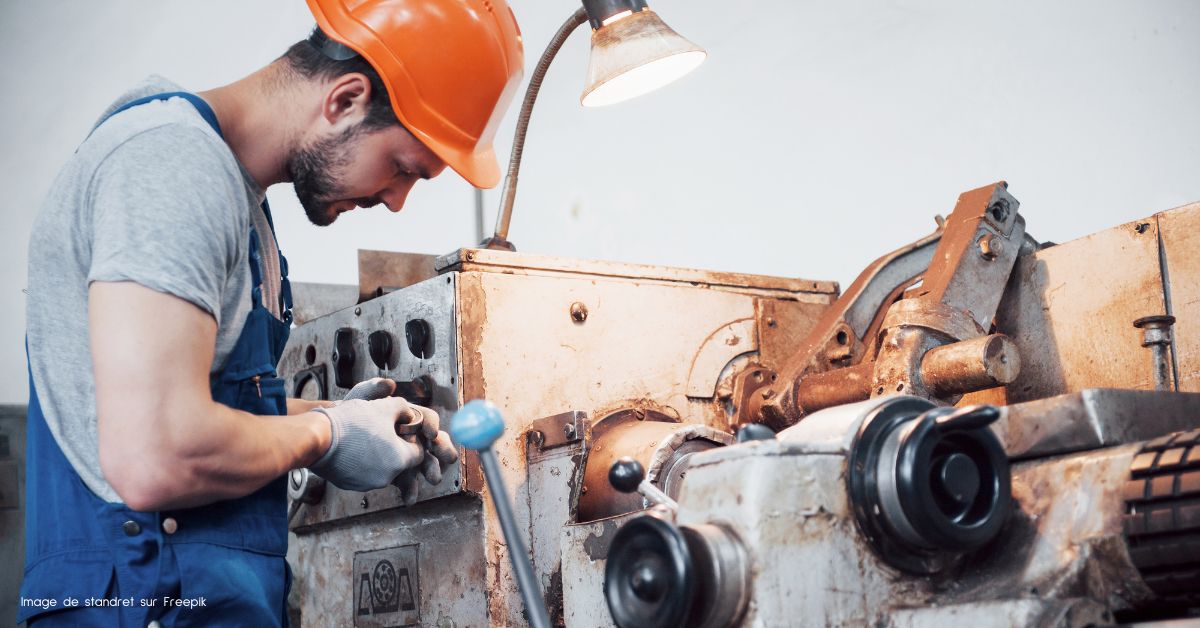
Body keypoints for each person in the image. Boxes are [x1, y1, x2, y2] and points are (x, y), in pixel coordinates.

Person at [18, 0, 524, 625]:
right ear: (344, 99)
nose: (396, 202)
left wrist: (332, 416)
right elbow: (154, 456)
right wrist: (326, 435)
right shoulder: (173, 166)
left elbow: (194, 410)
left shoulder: (238, 198)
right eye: (401, 168)